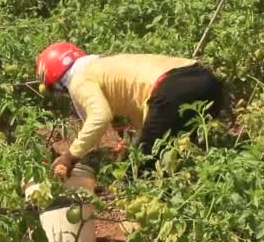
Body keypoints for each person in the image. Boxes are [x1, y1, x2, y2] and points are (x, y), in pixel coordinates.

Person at [36, 42, 224, 177]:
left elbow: (100, 117)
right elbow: (144, 111)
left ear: (56, 82)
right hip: (205, 80)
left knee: (141, 170)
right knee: (181, 156)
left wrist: (70, 156)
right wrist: (132, 142)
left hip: (171, 88)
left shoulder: (79, 79)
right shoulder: (100, 66)